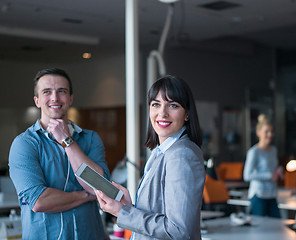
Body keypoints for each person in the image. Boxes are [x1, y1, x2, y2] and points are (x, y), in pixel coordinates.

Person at [94, 75, 205, 239]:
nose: (162, 113)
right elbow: (157, 214)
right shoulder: (160, 152)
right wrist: (128, 207)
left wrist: (123, 212)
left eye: (173, 105)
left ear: (187, 114)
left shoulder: (182, 155)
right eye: (156, 104)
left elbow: (179, 230)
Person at [9, 68, 110, 240]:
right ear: (37, 101)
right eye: (47, 92)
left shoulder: (91, 139)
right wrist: (87, 195)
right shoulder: (24, 144)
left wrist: (67, 141)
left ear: (70, 98)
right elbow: (39, 201)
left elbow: (101, 187)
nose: (55, 98)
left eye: (61, 91)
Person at [243, 114, 284, 218]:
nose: (270, 134)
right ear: (258, 133)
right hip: (259, 194)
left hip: (272, 194)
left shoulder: (274, 150)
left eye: (272, 131)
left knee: (277, 226)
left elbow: (271, 170)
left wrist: (278, 172)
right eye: (266, 131)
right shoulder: (254, 151)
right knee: (259, 229)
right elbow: (247, 175)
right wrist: (269, 176)